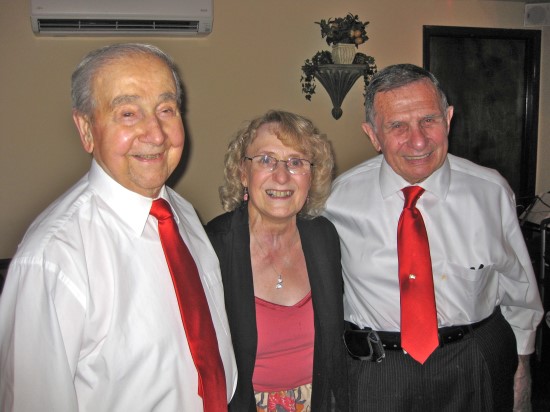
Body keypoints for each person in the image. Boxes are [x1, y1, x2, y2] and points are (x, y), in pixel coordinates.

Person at [0, 43, 236, 411]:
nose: (156, 134)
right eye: (128, 113)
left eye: (166, 109)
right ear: (86, 129)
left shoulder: (183, 215)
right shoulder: (53, 258)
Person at [324, 64, 544, 411]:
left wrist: (522, 370)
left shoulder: (490, 191)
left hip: (474, 361)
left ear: (449, 117)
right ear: (372, 135)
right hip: (378, 372)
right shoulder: (336, 200)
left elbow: (518, 286)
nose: (418, 140)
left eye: (429, 120)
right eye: (397, 125)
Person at [205, 110, 348, 411]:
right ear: (243, 173)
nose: (282, 176)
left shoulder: (324, 238)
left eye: (296, 162)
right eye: (266, 160)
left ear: (312, 176)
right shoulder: (213, 246)